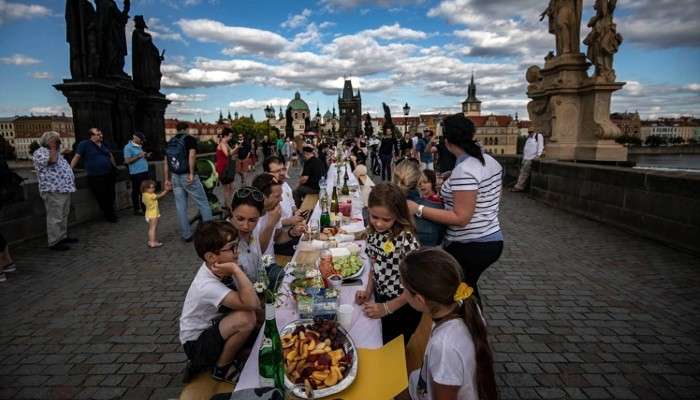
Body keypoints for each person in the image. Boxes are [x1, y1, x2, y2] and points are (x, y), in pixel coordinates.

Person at [407, 114, 504, 306]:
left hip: (470, 244)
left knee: (458, 295)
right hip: (490, 236)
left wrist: (417, 208)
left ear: (448, 142)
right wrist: (451, 180)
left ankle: (469, 330)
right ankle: (475, 327)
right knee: (468, 289)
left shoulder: (466, 170)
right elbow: (486, 193)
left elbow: (461, 217)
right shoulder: (489, 160)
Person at [400, 248, 498, 400]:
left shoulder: (444, 347)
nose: (402, 292)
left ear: (420, 300)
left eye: (404, 288)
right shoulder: (462, 307)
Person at [179, 221, 259, 384]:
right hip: (196, 344)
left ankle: (235, 354)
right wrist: (237, 270)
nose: (237, 253)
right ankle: (222, 369)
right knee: (247, 318)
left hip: (216, 326)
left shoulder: (221, 267)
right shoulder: (207, 285)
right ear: (210, 257)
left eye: (236, 246)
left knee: (258, 327)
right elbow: (252, 303)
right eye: (231, 248)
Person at [356, 183, 421, 345]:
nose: (378, 223)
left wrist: (387, 307)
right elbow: (374, 263)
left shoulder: (406, 240)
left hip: (403, 303)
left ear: (398, 215)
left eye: (386, 219)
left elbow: (416, 285)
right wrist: (369, 290)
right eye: (374, 217)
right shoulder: (372, 232)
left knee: (392, 345)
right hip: (382, 294)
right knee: (378, 337)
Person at [164, 121, 213, 242]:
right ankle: (209, 234)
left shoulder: (170, 141)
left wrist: (166, 179)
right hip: (187, 175)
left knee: (181, 207)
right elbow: (192, 156)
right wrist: (191, 173)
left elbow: (166, 161)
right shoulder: (190, 139)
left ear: (176, 130)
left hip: (175, 176)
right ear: (186, 129)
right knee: (203, 203)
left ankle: (186, 235)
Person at [33, 131, 78, 251]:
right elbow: (51, 161)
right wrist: (53, 147)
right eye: (56, 140)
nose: (59, 143)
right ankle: (54, 242)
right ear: (48, 141)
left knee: (63, 215)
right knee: (55, 216)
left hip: (64, 188)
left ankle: (62, 237)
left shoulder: (56, 152)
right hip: (52, 189)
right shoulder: (40, 152)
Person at [393, 160, 445, 247]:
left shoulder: (385, 205)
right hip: (427, 257)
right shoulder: (436, 208)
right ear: (418, 181)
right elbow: (440, 238)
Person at [251, 174, 304, 257]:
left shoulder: (273, 209)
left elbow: (276, 238)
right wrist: (271, 223)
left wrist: (292, 233)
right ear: (263, 197)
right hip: (262, 266)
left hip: (272, 261)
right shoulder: (250, 219)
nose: (281, 199)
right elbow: (258, 252)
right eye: (277, 196)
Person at [71, 128, 118, 222]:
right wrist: (69, 170)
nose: (101, 136)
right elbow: (77, 157)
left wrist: (114, 167)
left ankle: (111, 213)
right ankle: (109, 215)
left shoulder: (104, 143)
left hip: (108, 173)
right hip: (95, 176)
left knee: (111, 194)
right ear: (91, 135)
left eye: (101, 134)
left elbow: (110, 155)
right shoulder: (84, 144)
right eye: (98, 134)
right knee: (101, 196)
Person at [263, 156, 307, 256]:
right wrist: (290, 221)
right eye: (277, 171)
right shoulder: (267, 194)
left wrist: (297, 212)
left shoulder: (284, 184)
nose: (282, 173)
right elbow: (269, 224)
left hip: (290, 230)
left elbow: (292, 203)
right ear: (266, 174)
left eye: (283, 169)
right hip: (280, 239)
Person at [227, 187, 264, 281]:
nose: (246, 226)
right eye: (240, 219)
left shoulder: (257, 228)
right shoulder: (224, 240)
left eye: (252, 220)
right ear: (231, 210)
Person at [123, 131, 150, 216]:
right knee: (136, 192)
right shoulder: (128, 147)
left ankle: (145, 208)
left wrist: (146, 156)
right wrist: (139, 156)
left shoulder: (139, 146)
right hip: (136, 173)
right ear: (135, 137)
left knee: (144, 191)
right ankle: (137, 210)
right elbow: (127, 161)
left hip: (144, 171)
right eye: (141, 139)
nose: (142, 141)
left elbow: (141, 157)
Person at [141, 179, 170, 248]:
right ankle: (153, 242)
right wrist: (166, 190)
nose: (152, 189)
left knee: (151, 228)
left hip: (148, 214)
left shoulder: (144, 195)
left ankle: (151, 240)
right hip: (153, 214)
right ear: (145, 188)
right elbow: (159, 196)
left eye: (153, 187)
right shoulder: (151, 196)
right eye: (150, 188)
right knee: (153, 228)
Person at [215, 128, 238, 213]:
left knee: (231, 187)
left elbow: (231, 152)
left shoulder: (225, 143)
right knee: (227, 188)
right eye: (230, 136)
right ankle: (227, 205)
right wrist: (235, 148)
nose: (231, 137)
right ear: (226, 135)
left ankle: (227, 203)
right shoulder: (222, 144)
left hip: (226, 168)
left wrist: (236, 148)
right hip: (223, 169)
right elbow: (227, 154)